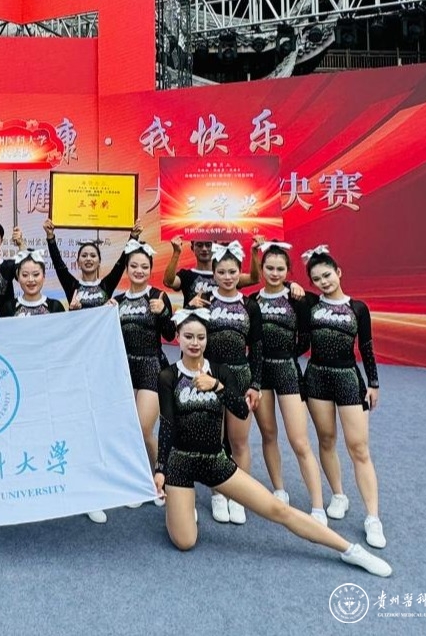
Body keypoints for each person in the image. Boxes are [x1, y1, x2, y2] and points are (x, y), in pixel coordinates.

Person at [152, 309, 391, 578]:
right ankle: (179, 504)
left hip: (215, 461)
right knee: (185, 542)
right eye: (188, 337)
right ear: (178, 338)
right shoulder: (168, 377)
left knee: (278, 509)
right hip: (181, 462)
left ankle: (349, 549)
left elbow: (241, 412)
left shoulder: (220, 371)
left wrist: (217, 386)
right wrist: (161, 469)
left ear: (208, 339)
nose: (195, 343)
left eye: (200, 337)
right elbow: (167, 425)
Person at [301, 245, 386, 549]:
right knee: (326, 440)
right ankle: (338, 494)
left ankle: (372, 517)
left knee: (359, 448)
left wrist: (373, 383)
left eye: (327, 275)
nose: (323, 282)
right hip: (317, 379)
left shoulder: (358, 308)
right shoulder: (310, 304)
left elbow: (366, 347)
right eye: (316, 279)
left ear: (338, 272)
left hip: (348, 379)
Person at [250, 242, 326, 526]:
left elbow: (305, 338)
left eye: (280, 269)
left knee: (299, 440)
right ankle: (279, 489)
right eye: (269, 268)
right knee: (268, 434)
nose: (274, 273)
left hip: (287, 372)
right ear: (262, 269)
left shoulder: (298, 298)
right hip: (259, 374)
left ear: (288, 270)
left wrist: (287, 356)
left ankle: (317, 505)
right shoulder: (252, 301)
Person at [104, 239, 174, 523]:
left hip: (151, 366)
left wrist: (163, 312)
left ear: (150, 268)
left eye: (144, 266)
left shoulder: (158, 295)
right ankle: (137, 481)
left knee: (143, 430)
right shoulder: (118, 301)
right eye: (134, 266)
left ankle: (160, 477)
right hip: (124, 369)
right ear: (127, 268)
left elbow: (170, 335)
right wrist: (105, 312)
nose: (139, 271)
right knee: (127, 430)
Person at [198, 241, 263, 525]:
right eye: (222, 272)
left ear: (240, 272)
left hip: (240, 376)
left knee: (239, 441)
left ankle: (239, 496)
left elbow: (257, 348)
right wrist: (191, 307)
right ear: (213, 273)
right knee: (214, 439)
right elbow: (189, 336)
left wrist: (255, 384)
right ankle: (218, 494)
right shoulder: (204, 300)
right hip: (211, 375)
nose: (227, 277)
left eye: (232, 271)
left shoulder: (250, 305)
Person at [42, 220, 138, 309]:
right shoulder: (72, 285)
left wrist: (133, 236)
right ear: (78, 262)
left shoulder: (106, 285)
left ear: (99, 261)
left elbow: (121, 264)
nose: (88, 259)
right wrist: (50, 236)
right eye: (84, 255)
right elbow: (58, 264)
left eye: (93, 255)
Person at [163, 235, 262, 308]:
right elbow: (169, 282)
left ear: (215, 247)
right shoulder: (186, 275)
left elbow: (254, 279)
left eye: (208, 245)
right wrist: (176, 252)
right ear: (192, 248)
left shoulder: (227, 275)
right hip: (195, 327)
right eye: (199, 245)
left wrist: (254, 252)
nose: (204, 249)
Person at [11, 249, 65, 316]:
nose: (30, 280)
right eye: (25, 275)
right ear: (18, 277)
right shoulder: (10, 308)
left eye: (36, 274)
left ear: (44, 276)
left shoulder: (55, 307)